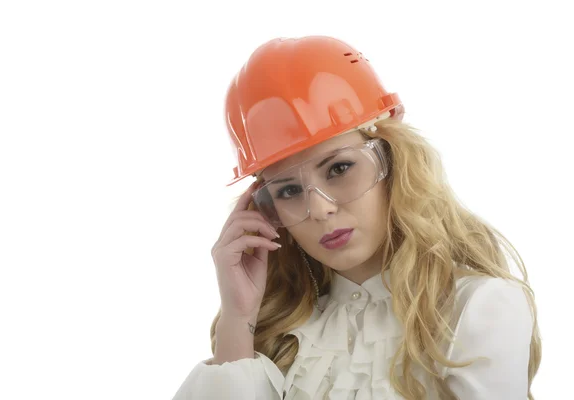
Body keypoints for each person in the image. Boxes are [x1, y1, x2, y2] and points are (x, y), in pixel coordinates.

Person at [172, 35, 541, 399]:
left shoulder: (475, 308)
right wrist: (237, 320)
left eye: (339, 168)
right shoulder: (281, 334)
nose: (319, 209)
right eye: (288, 191)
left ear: (393, 160)